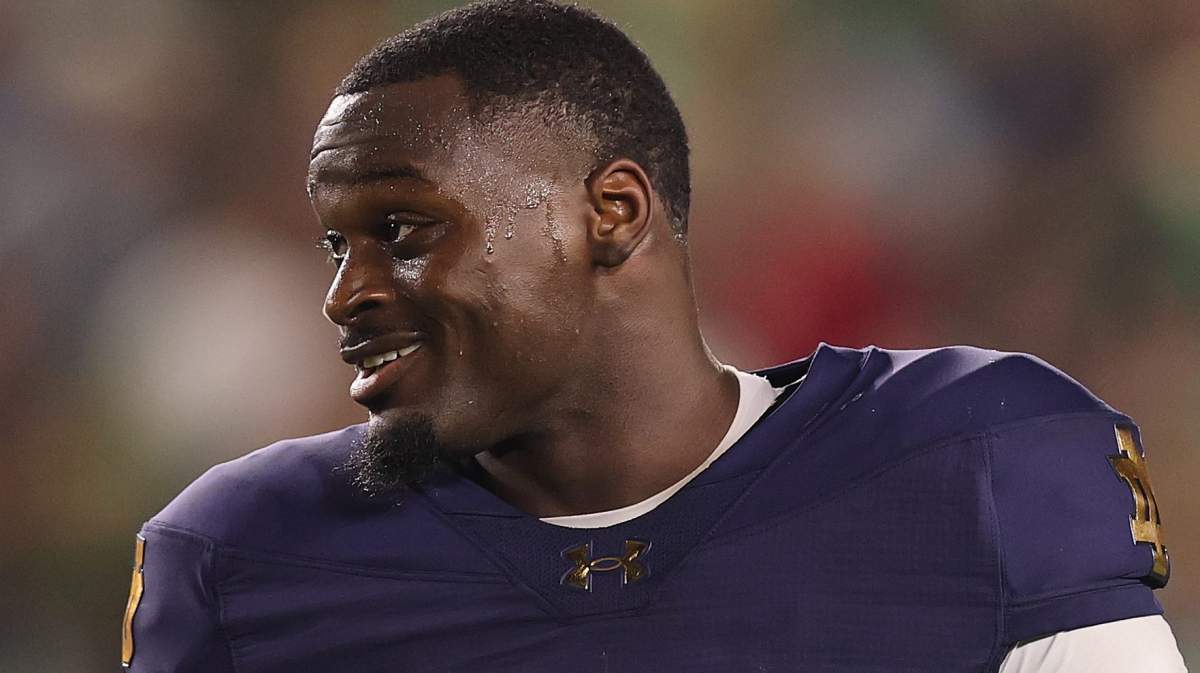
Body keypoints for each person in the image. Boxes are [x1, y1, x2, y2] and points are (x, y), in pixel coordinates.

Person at [121, 1, 1187, 671]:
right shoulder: (242, 555)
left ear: (612, 213)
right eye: (335, 246)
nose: (345, 295)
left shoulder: (984, 460)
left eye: (403, 232)